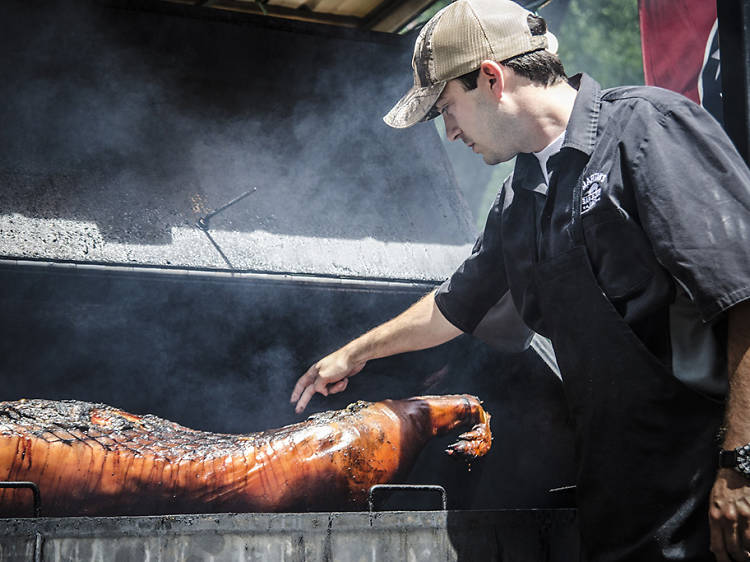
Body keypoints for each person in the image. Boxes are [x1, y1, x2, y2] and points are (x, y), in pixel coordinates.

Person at [290, 1, 750, 560]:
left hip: (709, 500)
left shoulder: (647, 130)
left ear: (491, 77)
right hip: (621, 509)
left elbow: (742, 294)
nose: (452, 133)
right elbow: (455, 305)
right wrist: (355, 353)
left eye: (448, 109)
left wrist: (741, 466)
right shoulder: (521, 193)